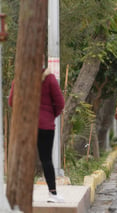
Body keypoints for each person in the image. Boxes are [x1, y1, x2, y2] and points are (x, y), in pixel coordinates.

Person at [9, 67, 65, 203]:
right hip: (45, 126)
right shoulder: (49, 78)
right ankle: (53, 194)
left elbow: (12, 102)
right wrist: (50, 116)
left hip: (26, 126)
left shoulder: (19, 78)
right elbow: (60, 103)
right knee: (46, 159)